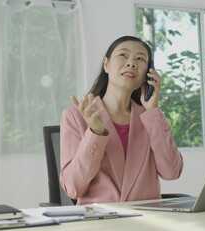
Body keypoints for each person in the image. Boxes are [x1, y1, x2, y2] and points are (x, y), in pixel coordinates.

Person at [60, 35, 183, 205]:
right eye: (123, 55)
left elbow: (172, 172)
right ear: (106, 64)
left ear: (149, 72)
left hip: (148, 220)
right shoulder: (76, 116)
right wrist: (95, 133)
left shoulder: (150, 118)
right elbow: (73, 187)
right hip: (100, 221)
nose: (131, 63)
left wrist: (153, 111)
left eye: (140, 59)